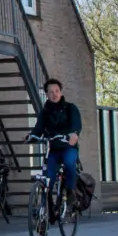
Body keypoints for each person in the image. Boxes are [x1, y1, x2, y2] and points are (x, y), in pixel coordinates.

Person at [29, 78, 82, 211]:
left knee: (69, 163)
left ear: (61, 92)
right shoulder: (45, 112)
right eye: (51, 92)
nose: (54, 94)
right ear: (47, 94)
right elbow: (38, 128)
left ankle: (70, 192)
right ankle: (45, 211)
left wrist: (74, 134)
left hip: (68, 147)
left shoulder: (70, 108)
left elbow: (76, 124)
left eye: (57, 91)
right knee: (48, 178)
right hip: (53, 149)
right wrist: (31, 136)